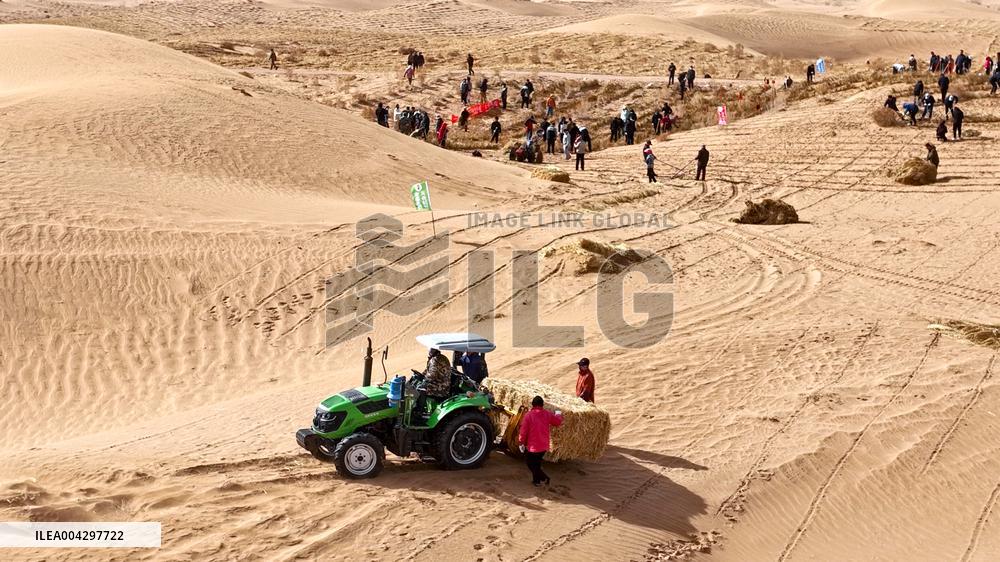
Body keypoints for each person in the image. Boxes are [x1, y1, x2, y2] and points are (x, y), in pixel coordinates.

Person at [518, 396, 563, 486]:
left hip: (533, 446)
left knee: (530, 463)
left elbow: (523, 431)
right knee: (536, 464)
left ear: (532, 405)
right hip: (543, 446)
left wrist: (521, 443)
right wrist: (558, 413)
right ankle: (537, 481)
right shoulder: (547, 414)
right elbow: (557, 422)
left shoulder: (529, 415)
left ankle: (543, 478)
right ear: (542, 405)